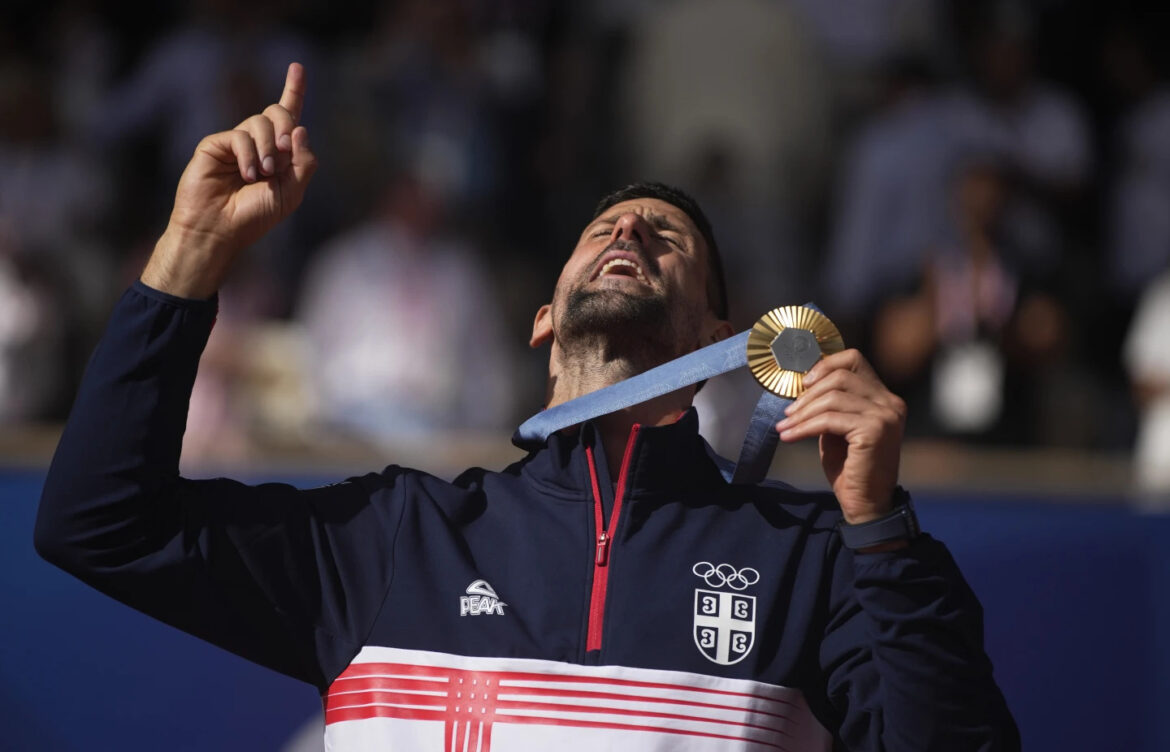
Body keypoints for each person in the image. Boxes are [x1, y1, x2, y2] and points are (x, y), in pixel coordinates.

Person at [35, 63, 1019, 750]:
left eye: (666, 238)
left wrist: (881, 527)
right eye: (603, 227)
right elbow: (98, 523)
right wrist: (187, 259)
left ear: (718, 334)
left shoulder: (809, 556)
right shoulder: (398, 536)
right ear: (544, 320)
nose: (629, 224)